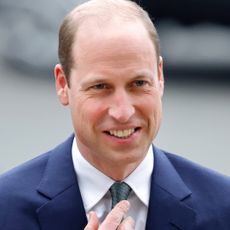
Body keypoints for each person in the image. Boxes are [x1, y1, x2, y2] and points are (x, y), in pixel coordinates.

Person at [0, 0, 230, 229]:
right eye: (100, 87)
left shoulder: (223, 206)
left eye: (139, 83)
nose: (123, 112)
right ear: (63, 84)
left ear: (159, 77)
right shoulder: (6, 208)